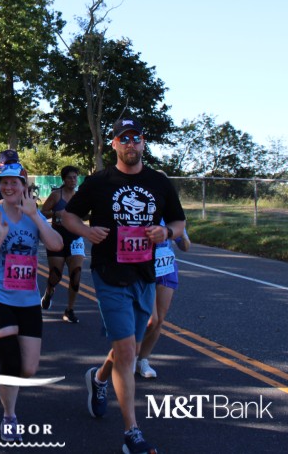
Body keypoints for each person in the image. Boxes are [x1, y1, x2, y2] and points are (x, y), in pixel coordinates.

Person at [60, 117, 186, 454]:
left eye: (136, 138)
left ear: (143, 142)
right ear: (114, 144)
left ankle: (99, 378)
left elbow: (178, 221)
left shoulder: (158, 182)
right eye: (124, 139)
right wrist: (86, 232)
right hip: (109, 273)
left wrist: (167, 232)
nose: (131, 144)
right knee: (128, 352)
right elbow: (68, 216)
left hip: (144, 274)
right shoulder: (99, 181)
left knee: (128, 345)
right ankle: (132, 432)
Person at [0, 163, 63, 442]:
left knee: (29, 369)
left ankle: (7, 385)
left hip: (27, 299)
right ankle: (9, 416)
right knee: (11, 363)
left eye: (14, 182)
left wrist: (35, 216)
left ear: (24, 186)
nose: (8, 187)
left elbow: (57, 245)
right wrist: (0, 235)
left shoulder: (34, 215)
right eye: (4, 182)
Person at [136, 223, 191, 378]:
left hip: (166, 268)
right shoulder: (144, 213)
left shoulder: (171, 218)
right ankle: (129, 353)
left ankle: (143, 360)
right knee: (151, 320)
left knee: (159, 320)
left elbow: (185, 247)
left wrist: (183, 233)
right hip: (145, 267)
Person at [39, 166, 84, 324]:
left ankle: (69, 310)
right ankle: (48, 292)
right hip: (57, 238)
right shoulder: (56, 195)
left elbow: (85, 215)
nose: (73, 180)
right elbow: (42, 213)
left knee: (76, 276)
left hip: (75, 239)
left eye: (75, 177)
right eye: (70, 177)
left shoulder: (79, 197)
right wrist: (55, 213)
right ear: (64, 179)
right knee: (56, 275)